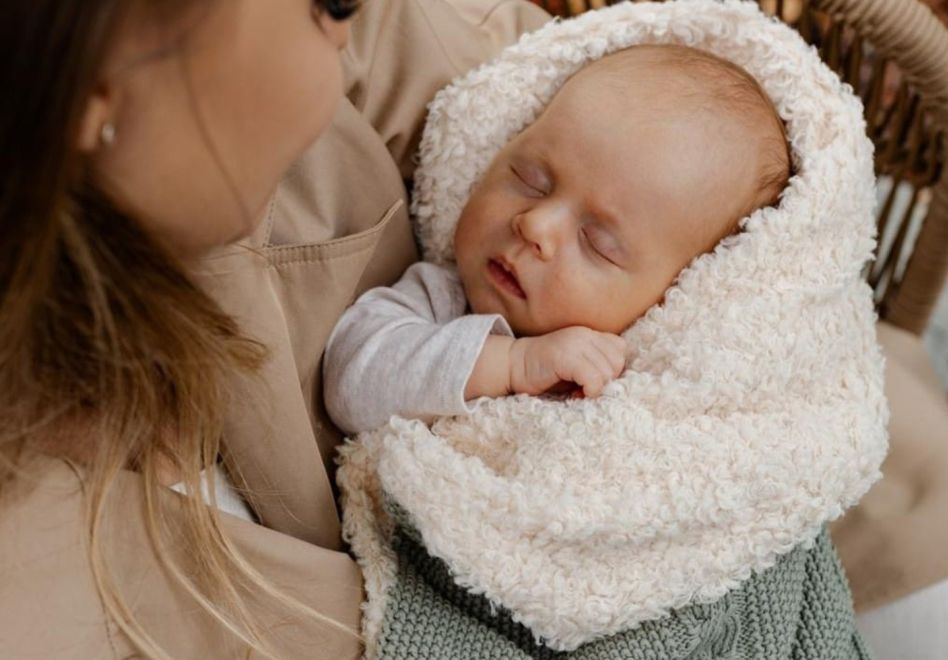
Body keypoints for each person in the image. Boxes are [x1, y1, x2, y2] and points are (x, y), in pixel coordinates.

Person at [0, 1, 548, 658]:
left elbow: (652, 125)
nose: (352, 18)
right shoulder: (41, 595)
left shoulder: (373, 43)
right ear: (90, 89)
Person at [324, 44, 790, 433]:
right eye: (530, 179)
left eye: (597, 243)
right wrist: (511, 362)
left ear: (675, 296)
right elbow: (351, 381)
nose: (535, 225)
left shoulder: (666, 388)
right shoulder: (442, 299)